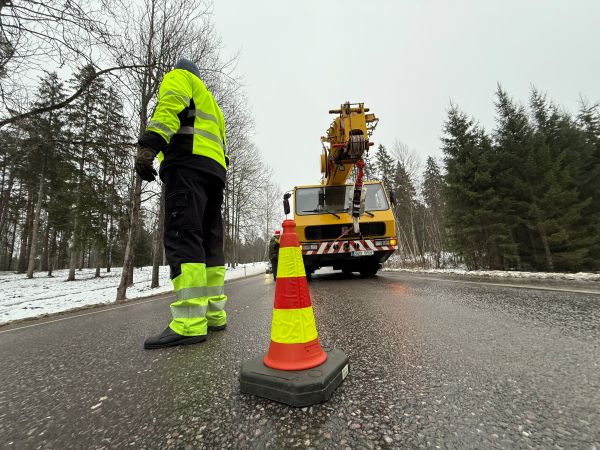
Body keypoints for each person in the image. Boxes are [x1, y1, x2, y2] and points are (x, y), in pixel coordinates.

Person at [135, 58, 229, 349]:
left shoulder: (180, 78)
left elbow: (169, 107)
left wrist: (149, 145)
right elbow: (222, 145)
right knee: (210, 243)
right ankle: (213, 315)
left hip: (187, 167)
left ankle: (189, 323)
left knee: (184, 236)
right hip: (214, 174)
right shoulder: (212, 104)